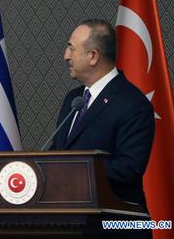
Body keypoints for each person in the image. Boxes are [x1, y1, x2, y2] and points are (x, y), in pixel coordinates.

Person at [51, 19, 154, 237]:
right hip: (69, 226)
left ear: (93, 56)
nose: (65, 56)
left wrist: (74, 171)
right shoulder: (74, 99)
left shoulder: (133, 104)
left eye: (71, 48)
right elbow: (57, 151)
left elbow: (128, 168)